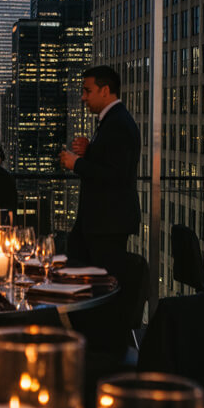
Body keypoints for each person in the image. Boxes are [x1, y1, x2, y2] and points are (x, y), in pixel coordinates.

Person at [59, 66, 141, 278]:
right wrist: (90, 151)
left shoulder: (118, 123)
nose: (83, 97)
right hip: (101, 223)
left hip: (107, 224)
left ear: (105, 91)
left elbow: (116, 175)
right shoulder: (113, 120)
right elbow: (111, 161)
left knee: (99, 283)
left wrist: (76, 163)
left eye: (87, 91)